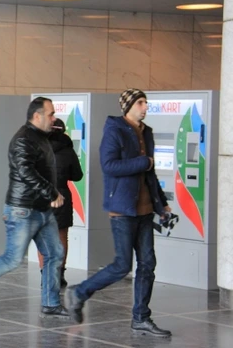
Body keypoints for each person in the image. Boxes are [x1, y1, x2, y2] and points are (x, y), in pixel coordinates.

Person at [65, 89, 172, 338]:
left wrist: (162, 204)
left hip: (145, 211)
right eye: (141, 103)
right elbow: (109, 165)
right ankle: (79, 292)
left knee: (148, 264)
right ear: (128, 106)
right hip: (123, 209)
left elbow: (151, 173)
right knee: (122, 265)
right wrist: (142, 162)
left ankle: (141, 318)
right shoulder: (115, 130)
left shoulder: (146, 132)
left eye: (146, 102)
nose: (146, 107)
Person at [0, 97, 69, 319]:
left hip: (41, 209)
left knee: (55, 253)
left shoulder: (40, 136)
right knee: (12, 258)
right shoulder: (23, 140)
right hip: (23, 210)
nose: (54, 118)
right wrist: (51, 192)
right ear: (36, 116)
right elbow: (26, 172)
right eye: (50, 114)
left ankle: (51, 303)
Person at [37, 118, 83, 287]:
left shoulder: (37, 149)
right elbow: (77, 176)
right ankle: (59, 274)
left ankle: (45, 274)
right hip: (62, 196)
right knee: (62, 236)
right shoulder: (68, 151)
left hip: (41, 196)